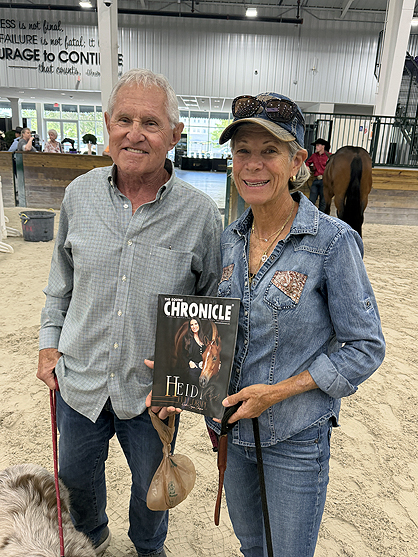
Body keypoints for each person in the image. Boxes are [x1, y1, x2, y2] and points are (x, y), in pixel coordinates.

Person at [37, 68, 222, 557]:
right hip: (78, 379)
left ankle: (148, 547)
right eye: (124, 120)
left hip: (151, 394)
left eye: (151, 123)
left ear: (175, 135)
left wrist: (185, 385)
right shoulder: (78, 196)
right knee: (75, 478)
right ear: (107, 125)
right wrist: (48, 345)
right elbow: (60, 285)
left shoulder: (201, 216)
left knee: (151, 485)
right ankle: (92, 539)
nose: (135, 133)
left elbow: (212, 311)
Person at [205, 92, 385, 557]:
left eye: (269, 150)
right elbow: (216, 330)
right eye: (242, 150)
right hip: (232, 430)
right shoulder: (229, 241)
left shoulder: (333, 242)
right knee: (251, 546)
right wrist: (177, 372)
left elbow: (366, 346)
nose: (253, 164)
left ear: (297, 161)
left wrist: (279, 391)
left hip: (295, 436)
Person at [305, 137, 330, 212]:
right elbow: (307, 163)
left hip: (325, 181)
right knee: (311, 200)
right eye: (316, 145)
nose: (316, 147)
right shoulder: (314, 156)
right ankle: (310, 214)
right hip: (316, 180)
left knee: (323, 202)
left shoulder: (329, 156)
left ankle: (321, 216)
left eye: (318, 145)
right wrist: (307, 167)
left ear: (323, 146)